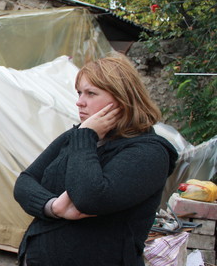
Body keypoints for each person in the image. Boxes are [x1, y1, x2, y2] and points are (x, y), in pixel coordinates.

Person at [13, 55, 178, 266]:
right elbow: (25, 182)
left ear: (122, 99)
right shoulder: (76, 136)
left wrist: (87, 136)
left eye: (91, 93)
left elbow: (89, 198)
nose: (79, 101)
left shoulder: (149, 152)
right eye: (79, 92)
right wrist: (53, 206)